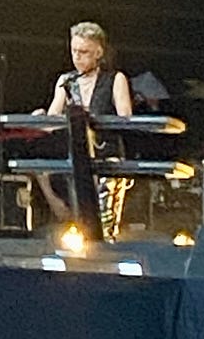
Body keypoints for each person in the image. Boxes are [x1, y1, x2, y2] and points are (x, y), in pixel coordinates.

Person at [39, 20, 134, 239]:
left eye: (84, 52)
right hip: (78, 160)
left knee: (105, 226)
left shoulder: (115, 79)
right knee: (80, 224)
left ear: (98, 52)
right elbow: (52, 121)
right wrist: (41, 118)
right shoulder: (67, 81)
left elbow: (125, 118)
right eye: (74, 51)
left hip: (107, 159)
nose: (78, 57)